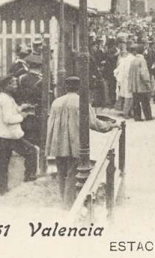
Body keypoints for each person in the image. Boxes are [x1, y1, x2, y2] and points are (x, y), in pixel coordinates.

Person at [45, 77, 118, 207]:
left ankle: (64, 201)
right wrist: (109, 125)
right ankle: (70, 205)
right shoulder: (82, 102)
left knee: (62, 173)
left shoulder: (56, 102)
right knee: (73, 173)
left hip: (58, 144)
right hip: (74, 144)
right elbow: (94, 123)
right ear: (79, 88)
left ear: (66, 87)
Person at [0, 76, 37, 196]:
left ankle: (3, 191)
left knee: (3, 165)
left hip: (4, 136)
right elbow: (8, 118)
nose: (16, 86)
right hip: (10, 137)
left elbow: (11, 111)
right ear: (6, 86)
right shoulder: (5, 100)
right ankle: (29, 179)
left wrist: (22, 107)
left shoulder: (6, 97)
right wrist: (22, 116)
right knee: (31, 151)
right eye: (13, 84)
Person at [128, 45, 155, 122]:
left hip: (134, 85)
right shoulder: (142, 60)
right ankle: (148, 116)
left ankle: (137, 117)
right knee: (145, 102)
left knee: (136, 102)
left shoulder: (133, 60)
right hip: (142, 85)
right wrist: (148, 83)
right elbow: (144, 74)